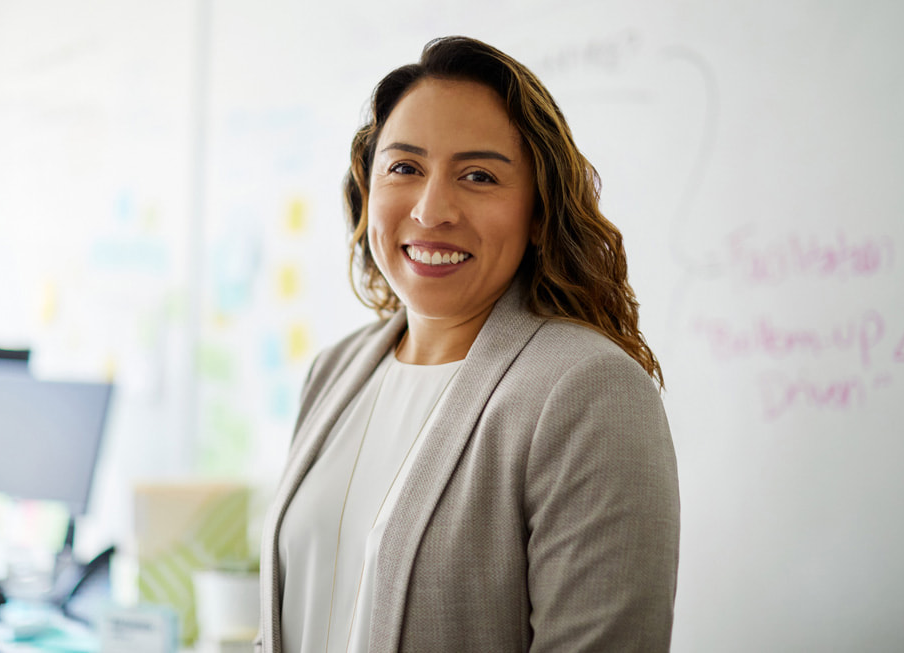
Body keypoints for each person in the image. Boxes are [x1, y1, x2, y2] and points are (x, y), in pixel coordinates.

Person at [257, 36, 679, 653]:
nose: (431, 211)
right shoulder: (335, 370)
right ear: (367, 186)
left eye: (478, 176)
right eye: (404, 168)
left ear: (539, 213)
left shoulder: (589, 391)